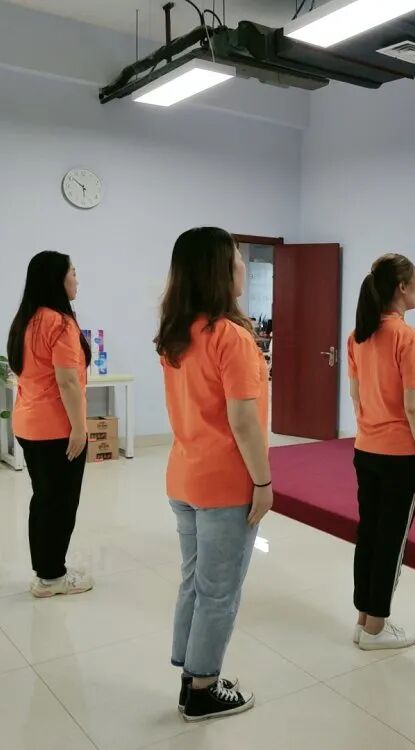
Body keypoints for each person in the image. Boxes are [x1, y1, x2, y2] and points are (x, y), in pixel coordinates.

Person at [155, 227, 271, 722]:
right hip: (225, 482)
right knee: (219, 591)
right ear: (219, 270)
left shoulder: (176, 334)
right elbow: (244, 421)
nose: (243, 267)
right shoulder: (231, 337)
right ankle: (203, 689)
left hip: (184, 475)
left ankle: (191, 676)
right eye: (237, 259)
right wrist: (263, 482)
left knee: (195, 582)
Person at [347, 253, 415, 651]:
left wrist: (370, 429)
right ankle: (376, 628)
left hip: (366, 450)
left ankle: (364, 619)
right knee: (391, 542)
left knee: (369, 534)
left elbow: (356, 395)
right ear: (402, 287)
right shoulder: (409, 338)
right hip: (399, 457)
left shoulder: (358, 336)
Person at [6, 251, 93, 598]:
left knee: (43, 499)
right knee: (60, 503)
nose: (77, 279)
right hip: (57, 429)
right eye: (73, 273)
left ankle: (45, 572)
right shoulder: (60, 323)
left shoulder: (25, 321)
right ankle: (52, 577)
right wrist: (79, 428)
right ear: (58, 279)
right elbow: (68, 381)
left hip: (28, 425)